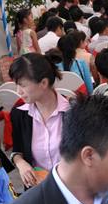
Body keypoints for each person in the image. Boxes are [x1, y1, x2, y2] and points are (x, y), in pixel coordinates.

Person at [8, 54, 70, 188]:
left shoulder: (73, 111)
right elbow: (17, 150)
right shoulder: (19, 114)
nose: (18, 91)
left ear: (43, 83)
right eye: (16, 85)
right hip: (38, 188)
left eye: (22, 85)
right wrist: (20, 163)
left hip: (71, 189)